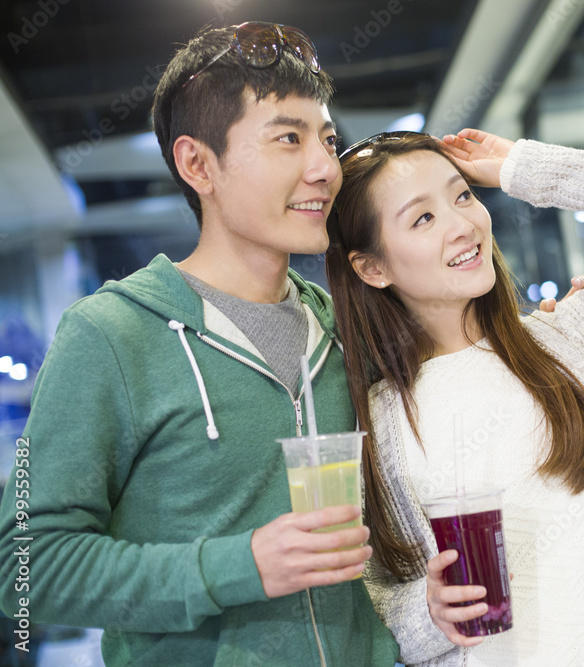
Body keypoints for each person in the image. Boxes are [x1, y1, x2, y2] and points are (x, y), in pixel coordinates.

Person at [0, 23, 401, 666]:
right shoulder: (109, 334)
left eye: (326, 139)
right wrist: (238, 566)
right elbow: (26, 566)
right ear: (197, 165)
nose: (327, 166)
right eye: (288, 139)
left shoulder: (343, 328)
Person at [326, 129, 584, 665]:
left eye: (463, 196)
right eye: (422, 218)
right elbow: (373, 603)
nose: (461, 225)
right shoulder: (375, 424)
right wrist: (428, 615)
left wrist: (519, 165)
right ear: (371, 268)